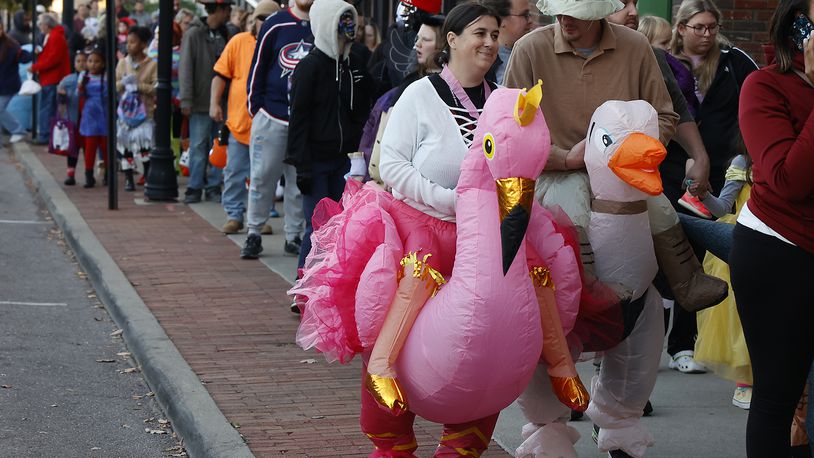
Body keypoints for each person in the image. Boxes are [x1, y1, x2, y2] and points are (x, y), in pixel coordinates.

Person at [501, 0, 722, 453]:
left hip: (625, 175)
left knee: (660, 211)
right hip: (557, 172)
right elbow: (507, 128)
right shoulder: (529, 49)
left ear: (601, 13)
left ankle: (687, 278)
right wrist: (565, 158)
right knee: (569, 218)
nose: (565, 21)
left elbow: (665, 114)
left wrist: (629, 150)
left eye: (576, 14)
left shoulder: (636, 47)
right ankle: (583, 295)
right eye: (560, 12)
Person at [731, 0, 814, 454]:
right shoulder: (764, 86)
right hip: (781, 247)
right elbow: (788, 180)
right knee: (778, 396)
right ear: (798, 28)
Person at [660, 0, 757, 374]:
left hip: (726, 170)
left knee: (705, 258)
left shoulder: (735, 62)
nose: (706, 35)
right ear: (681, 28)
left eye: (712, 27)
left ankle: (685, 344)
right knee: (675, 251)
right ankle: (669, 338)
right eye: (698, 27)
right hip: (673, 171)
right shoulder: (664, 63)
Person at [284, 0, 374, 294]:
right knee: (318, 227)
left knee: (343, 226)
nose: (348, 30)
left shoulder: (355, 64)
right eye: (341, 23)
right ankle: (304, 288)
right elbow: (298, 119)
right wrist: (302, 165)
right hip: (315, 160)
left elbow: (367, 104)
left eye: (351, 23)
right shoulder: (309, 67)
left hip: (346, 160)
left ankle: (329, 287)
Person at [240, 0, 312, 261]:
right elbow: (257, 67)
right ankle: (253, 232)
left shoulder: (322, 24)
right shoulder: (275, 23)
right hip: (271, 115)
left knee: (298, 182)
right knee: (261, 177)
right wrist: (255, 108)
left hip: (304, 123)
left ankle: (293, 236)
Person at [211, 0, 280, 234]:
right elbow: (220, 75)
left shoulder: (280, 44)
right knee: (234, 172)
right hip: (239, 124)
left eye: (270, 18)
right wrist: (214, 103)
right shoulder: (239, 41)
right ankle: (234, 214)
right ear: (254, 20)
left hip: (271, 125)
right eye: (261, 18)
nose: (265, 23)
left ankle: (257, 220)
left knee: (263, 177)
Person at [359, 12, 444, 185]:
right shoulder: (410, 83)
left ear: (444, 44)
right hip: (396, 181)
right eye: (417, 39)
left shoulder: (451, 86)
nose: (417, 45)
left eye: (426, 40)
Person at [179, 0, 232, 204]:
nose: (228, 14)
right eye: (226, 10)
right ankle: (194, 186)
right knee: (199, 146)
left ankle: (213, 186)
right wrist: (186, 99)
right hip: (200, 101)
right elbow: (186, 67)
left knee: (218, 145)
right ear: (217, 10)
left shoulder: (226, 33)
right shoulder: (193, 34)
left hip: (222, 101)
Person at [116, 26, 157, 192]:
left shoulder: (152, 64)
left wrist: (138, 86)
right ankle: (128, 178)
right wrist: (124, 84)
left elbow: (155, 87)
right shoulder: (122, 63)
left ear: (143, 44)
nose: (129, 45)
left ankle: (147, 174)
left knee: (144, 145)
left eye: (133, 42)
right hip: (125, 113)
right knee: (125, 145)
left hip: (145, 112)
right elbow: (116, 85)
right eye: (128, 42)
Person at [28, 13, 70, 145]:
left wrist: (36, 67)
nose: (40, 26)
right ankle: (46, 135)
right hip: (50, 77)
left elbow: (53, 59)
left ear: (46, 25)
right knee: (48, 107)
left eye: (41, 24)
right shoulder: (52, 36)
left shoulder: (55, 37)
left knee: (47, 108)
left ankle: (45, 136)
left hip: (52, 78)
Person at [77, 46, 108, 188]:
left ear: (102, 64)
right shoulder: (83, 77)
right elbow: (79, 95)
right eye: (90, 61)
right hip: (89, 114)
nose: (93, 64)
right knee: (89, 146)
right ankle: (88, 174)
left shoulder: (106, 77)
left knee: (105, 146)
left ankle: (108, 173)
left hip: (104, 113)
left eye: (96, 61)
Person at [483, 0, 532, 84]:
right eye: (525, 15)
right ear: (501, 20)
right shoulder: (484, 62)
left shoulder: (531, 53)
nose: (530, 21)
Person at [57, 51, 87, 185]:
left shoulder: (95, 79)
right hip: (74, 119)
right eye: (78, 61)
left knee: (90, 148)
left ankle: (90, 173)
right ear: (74, 64)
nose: (81, 63)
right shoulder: (68, 80)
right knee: (72, 148)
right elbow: (60, 101)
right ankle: (71, 174)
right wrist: (61, 95)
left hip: (89, 119)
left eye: (84, 60)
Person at [0, 20, 32, 145]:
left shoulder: (10, 45)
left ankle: (18, 131)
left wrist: (33, 54)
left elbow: (22, 57)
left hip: (8, 85)